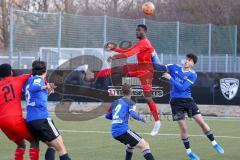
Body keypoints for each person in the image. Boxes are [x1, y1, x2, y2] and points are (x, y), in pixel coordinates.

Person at [84, 24, 161, 136]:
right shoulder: (140, 43)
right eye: (136, 30)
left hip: (147, 72)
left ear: (144, 32)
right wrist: (114, 49)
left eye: (138, 30)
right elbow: (129, 50)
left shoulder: (145, 43)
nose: (136, 32)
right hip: (139, 68)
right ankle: (92, 75)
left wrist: (114, 56)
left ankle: (157, 122)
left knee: (148, 98)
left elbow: (129, 53)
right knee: (117, 70)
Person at [159, 53, 224, 160]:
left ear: (192, 64)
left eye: (189, 60)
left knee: (202, 123)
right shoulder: (174, 67)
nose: (186, 61)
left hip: (188, 101)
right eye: (186, 59)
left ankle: (214, 143)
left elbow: (182, 88)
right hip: (175, 103)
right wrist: (151, 55)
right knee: (184, 128)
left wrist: (170, 78)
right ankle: (189, 152)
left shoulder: (192, 74)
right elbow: (160, 66)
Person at [24, 60, 71, 160]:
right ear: (45, 70)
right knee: (61, 148)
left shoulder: (29, 80)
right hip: (41, 119)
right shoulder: (38, 79)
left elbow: (33, 93)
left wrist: (47, 91)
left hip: (31, 120)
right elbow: (33, 88)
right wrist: (46, 86)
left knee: (52, 146)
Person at [105, 83, 155, 160]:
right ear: (131, 91)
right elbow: (133, 114)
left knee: (131, 145)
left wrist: (118, 118)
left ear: (122, 92)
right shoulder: (130, 102)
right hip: (123, 131)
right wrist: (142, 119)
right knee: (145, 145)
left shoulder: (115, 102)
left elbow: (107, 116)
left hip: (114, 132)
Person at [0, 63, 40, 160]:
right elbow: (34, 75)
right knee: (34, 140)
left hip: (2, 123)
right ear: (11, 72)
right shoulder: (18, 79)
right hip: (14, 120)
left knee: (21, 144)